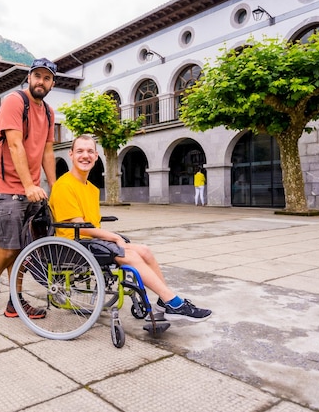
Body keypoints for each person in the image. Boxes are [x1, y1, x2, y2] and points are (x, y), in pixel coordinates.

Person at [49, 135, 211, 322]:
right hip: (72, 245)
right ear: (71, 154)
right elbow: (79, 225)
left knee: (145, 251)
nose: (85, 156)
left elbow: (91, 224)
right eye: (80, 151)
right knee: (130, 255)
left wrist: (109, 237)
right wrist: (112, 237)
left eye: (90, 151)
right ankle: (175, 303)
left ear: (96, 155)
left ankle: (165, 302)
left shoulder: (91, 188)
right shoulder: (64, 185)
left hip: (89, 241)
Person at [0, 58, 58, 319]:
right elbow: (14, 145)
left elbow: (47, 151)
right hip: (4, 184)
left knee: (25, 248)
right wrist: (28, 185)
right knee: (10, 245)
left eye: (47, 78)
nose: (41, 81)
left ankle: (15, 301)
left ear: (52, 84)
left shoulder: (48, 112)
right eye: (37, 76)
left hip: (31, 187)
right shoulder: (15, 101)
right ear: (29, 78)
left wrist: (54, 186)